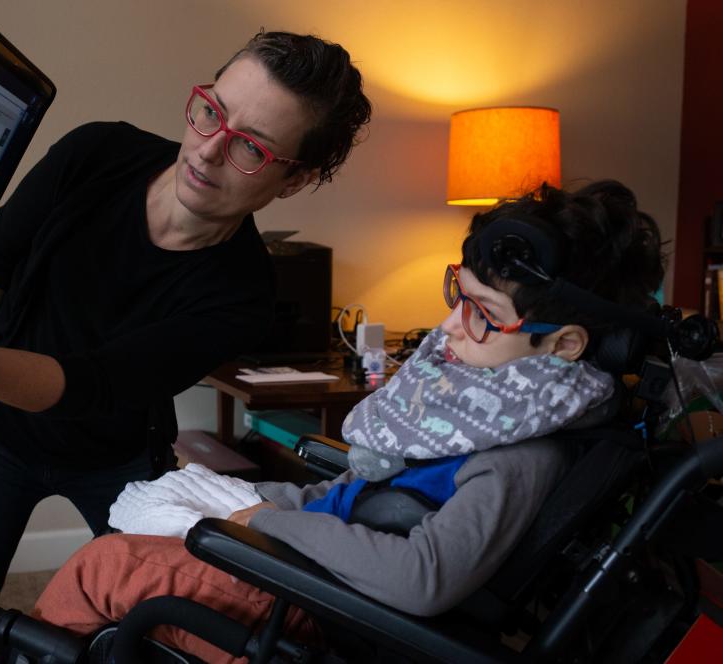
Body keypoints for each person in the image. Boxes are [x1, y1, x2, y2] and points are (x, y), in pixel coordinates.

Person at [0, 31, 372, 663]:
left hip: (118, 458)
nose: (209, 150)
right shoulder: (98, 151)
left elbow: (90, 382)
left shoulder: (241, 295)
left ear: (293, 179)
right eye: (212, 111)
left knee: (140, 629)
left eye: (250, 147)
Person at [32, 180, 666, 663]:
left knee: (104, 567)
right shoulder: (470, 421)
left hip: (320, 617)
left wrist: (273, 522)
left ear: (564, 345)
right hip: (313, 577)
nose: (449, 327)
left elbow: (423, 579)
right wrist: (247, 499)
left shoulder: (517, 458)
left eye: (483, 313)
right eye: (458, 294)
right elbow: (359, 499)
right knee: (151, 535)